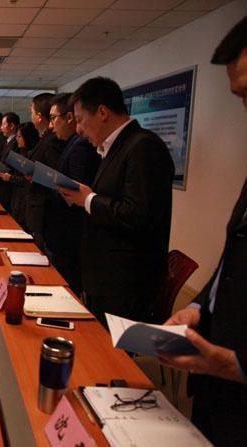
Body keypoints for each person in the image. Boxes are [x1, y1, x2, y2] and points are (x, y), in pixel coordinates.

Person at [157, 17, 247, 446]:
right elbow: (234, 260)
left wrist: (234, 364)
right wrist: (199, 309)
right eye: (241, 98)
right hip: (217, 391)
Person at [58, 77, 174, 328]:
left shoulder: (143, 146)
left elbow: (138, 214)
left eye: (80, 120)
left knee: (113, 351)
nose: (78, 130)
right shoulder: (115, 148)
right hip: (105, 277)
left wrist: (88, 199)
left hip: (125, 282)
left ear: (102, 112)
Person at [43, 93, 100, 296]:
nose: (51, 126)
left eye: (53, 118)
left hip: (69, 233)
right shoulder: (72, 142)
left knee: (67, 288)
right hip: (64, 232)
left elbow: (77, 189)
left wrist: (51, 184)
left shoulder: (80, 145)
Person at [25, 93, 63, 251]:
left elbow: (56, 175)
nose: (31, 116)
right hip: (38, 208)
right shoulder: (44, 138)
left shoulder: (51, 140)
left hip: (45, 211)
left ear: (39, 116)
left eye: (32, 112)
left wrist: (35, 175)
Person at [1, 122, 39, 230]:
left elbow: (26, 180)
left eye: (19, 137)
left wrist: (10, 177)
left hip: (25, 201)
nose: (17, 139)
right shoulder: (21, 152)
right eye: (16, 136)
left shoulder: (32, 155)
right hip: (17, 197)